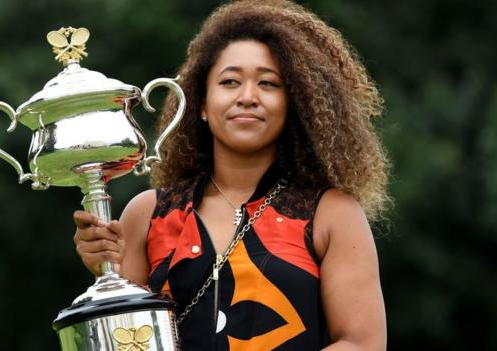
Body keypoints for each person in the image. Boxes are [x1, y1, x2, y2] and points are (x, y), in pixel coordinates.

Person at [73, 0, 389, 350]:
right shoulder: (147, 215)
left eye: (268, 84)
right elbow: (125, 339)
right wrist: (106, 274)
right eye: (230, 81)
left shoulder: (332, 213)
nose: (248, 97)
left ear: (294, 103)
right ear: (203, 104)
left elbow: (361, 342)